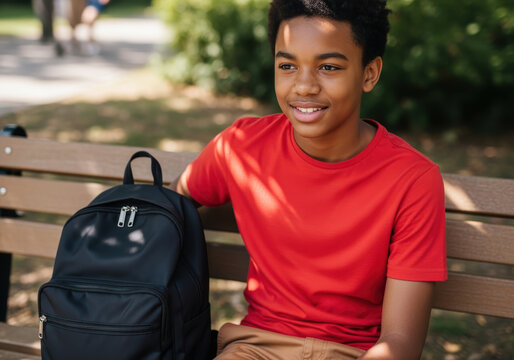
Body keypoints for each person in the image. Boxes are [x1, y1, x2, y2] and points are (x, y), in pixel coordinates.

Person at [173, 0, 447, 359]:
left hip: (352, 353)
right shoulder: (240, 147)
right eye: (287, 65)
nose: (303, 86)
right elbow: (169, 206)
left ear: (369, 73)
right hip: (256, 348)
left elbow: (400, 343)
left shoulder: (413, 180)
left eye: (328, 67)